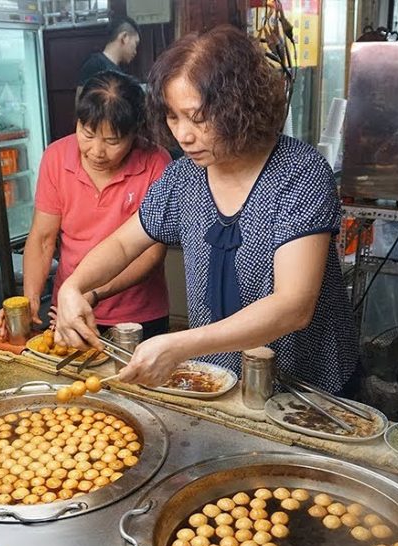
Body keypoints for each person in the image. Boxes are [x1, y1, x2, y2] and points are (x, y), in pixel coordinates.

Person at [54, 25, 359, 394]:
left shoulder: (299, 172)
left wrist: (180, 344)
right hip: (219, 382)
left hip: (307, 391)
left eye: (198, 118)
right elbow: (122, 245)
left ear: (241, 107)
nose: (183, 135)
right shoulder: (184, 176)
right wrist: (74, 287)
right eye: (173, 117)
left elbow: (294, 305)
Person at [0, 70, 171, 340]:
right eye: (88, 134)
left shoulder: (156, 164)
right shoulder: (56, 157)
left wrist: (92, 294)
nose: (96, 151)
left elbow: (149, 255)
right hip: (68, 311)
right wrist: (30, 300)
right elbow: (43, 238)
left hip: (137, 317)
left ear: (134, 133)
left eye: (112, 141)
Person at [76, 17, 140, 100]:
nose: (135, 51)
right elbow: (80, 104)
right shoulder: (95, 64)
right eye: (136, 43)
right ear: (124, 37)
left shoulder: (119, 71)